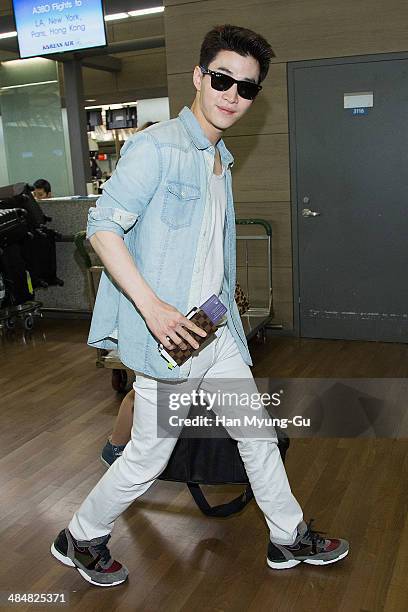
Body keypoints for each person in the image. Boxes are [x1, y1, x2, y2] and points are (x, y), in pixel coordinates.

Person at [51, 24, 349, 587]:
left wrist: (220, 293)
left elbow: (198, 247)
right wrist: (155, 309)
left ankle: (288, 538)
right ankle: (81, 535)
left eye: (247, 88)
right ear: (198, 76)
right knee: (146, 457)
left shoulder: (220, 160)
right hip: (174, 343)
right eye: (222, 79)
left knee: (258, 437)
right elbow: (102, 227)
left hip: (216, 333)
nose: (232, 95)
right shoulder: (157, 147)